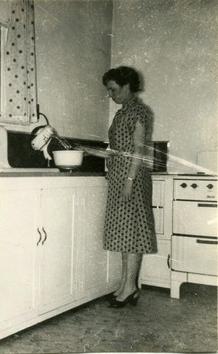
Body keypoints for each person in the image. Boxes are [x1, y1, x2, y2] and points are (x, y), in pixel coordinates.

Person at [80, 66, 156, 308]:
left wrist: (129, 183)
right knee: (124, 233)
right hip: (118, 176)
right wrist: (88, 150)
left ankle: (130, 287)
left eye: (113, 89)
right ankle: (125, 285)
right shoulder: (120, 114)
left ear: (126, 86)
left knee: (132, 233)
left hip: (131, 178)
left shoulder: (139, 112)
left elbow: (138, 151)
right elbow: (116, 151)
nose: (110, 95)